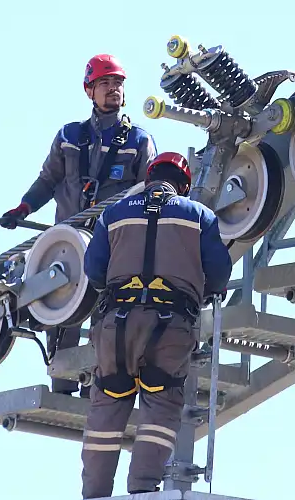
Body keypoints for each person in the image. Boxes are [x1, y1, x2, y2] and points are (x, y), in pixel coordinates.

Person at [79, 152, 233, 499]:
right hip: (171, 326)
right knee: (160, 407)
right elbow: (221, 273)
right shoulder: (199, 216)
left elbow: (94, 271)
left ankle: (95, 494)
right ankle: (144, 491)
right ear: (185, 186)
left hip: (116, 326)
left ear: (149, 179)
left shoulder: (113, 213)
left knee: (108, 404)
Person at [2, 53, 158, 394]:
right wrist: (23, 209)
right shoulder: (70, 137)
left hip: (113, 247)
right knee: (61, 312)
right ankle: (62, 382)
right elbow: (48, 180)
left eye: (117, 83)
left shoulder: (138, 142)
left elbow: (151, 192)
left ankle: (98, 388)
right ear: (89, 90)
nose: (112, 90)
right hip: (69, 245)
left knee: (107, 317)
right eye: (105, 83)